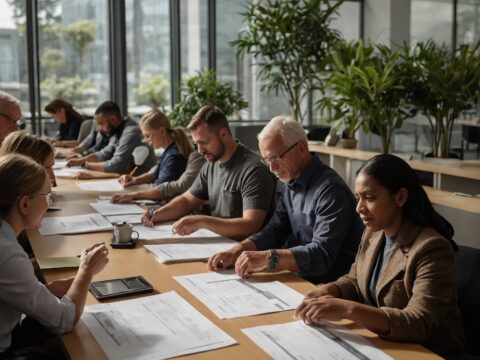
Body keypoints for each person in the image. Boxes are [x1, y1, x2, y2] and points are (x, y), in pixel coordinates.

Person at [295, 153, 466, 357]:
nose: (359, 208)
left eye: (369, 198)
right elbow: (355, 280)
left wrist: (348, 309)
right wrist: (331, 290)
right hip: (380, 344)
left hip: (426, 351)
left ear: (400, 197)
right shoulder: (373, 233)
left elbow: (418, 322)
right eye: (358, 198)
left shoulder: (432, 249)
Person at [208, 116, 363, 283]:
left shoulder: (331, 190)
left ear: (302, 148)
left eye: (276, 158)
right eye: (266, 160)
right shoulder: (291, 180)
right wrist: (237, 250)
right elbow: (275, 230)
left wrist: (270, 257)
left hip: (329, 286)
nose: (272, 168)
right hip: (299, 277)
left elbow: (321, 256)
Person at [0, 153, 109, 356]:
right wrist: (86, 272)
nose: (49, 203)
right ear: (24, 204)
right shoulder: (8, 253)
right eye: (47, 196)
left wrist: (45, 290)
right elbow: (64, 320)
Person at [141, 105, 276, 241]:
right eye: (196, 144)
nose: (200, 150)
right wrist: (158, 214)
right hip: (219, 245)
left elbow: (251, 225)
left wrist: (202, 222)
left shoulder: (254, 170)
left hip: (246, 253)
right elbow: (187, 200)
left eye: (204, 142)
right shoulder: (211, 165)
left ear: (224, 134)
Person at [112, 109, 205, 204]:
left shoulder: (175, 157)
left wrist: (134, 195)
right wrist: (135, 180)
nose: (146, 141)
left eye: (148, 136)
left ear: (161, 131)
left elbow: (161, 189)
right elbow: (155, 172)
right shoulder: (169, 150)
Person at [66, 101, 156, 177]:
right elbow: (104, 154)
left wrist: (85, 164)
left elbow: (116, 166)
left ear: (112, 119)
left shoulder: (131, 132)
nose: (99, 129)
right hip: (125, 180)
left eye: (101, 124)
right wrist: (81, 160)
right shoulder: (118, 129)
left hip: (141, 183)